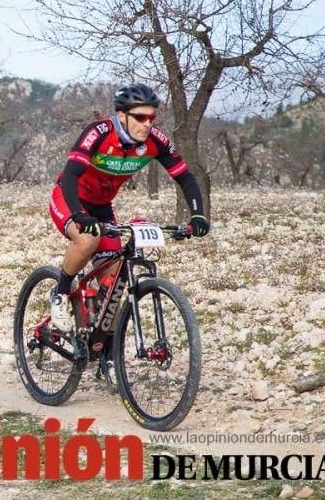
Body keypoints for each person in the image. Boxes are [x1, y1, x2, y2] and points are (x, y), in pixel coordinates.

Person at [47, 83, 210, 330]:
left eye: (152, 117)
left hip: (102, 207)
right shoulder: (99, 132)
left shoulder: (156, 141)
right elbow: (70, 175)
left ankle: (101, 347)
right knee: (87, 240)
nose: (147, 124)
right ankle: (59, 293)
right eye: (140, 117)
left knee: (112, 283)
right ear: (122, 115)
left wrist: (198, 215)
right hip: (70, 198)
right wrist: (79, 214)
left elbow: (185, 178)